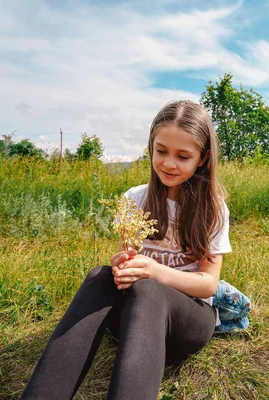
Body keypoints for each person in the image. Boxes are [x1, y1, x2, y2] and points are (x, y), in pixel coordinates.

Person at [21, 100, 232, 400]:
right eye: (161, 151)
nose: (169, 163)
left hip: (189, 322)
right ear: (151, 147)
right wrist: (124, 266)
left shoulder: (213, 209)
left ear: (202, 158)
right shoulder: (135, 199)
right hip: (136, 323)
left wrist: (156, 272)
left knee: (149, 289)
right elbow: (128, 266)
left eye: (182, 156)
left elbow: (208, 284)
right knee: (100, 277)